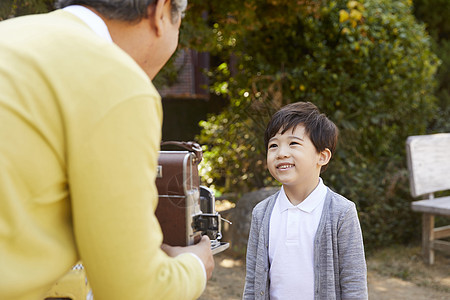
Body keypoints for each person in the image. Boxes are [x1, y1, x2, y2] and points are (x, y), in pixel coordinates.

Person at [0, 0, 214, 299]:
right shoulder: (118, 80)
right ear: (161, 12)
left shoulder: (10, 36)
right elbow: (134, 290)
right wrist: (196, 265)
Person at [243, 102, 368, 300]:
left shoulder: (342, 212)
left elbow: (354, 284)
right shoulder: (262, 213)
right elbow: (252, 282)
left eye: (293, 143)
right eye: (273, 145)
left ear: (322, 156)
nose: (281, 153)